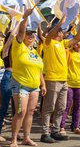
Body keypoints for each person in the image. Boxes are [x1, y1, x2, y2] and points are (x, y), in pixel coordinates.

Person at [40, 14, 80, 143]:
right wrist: (59, 23)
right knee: (49, 107)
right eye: (60, 31)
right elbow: (48, 35)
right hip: (52, 79)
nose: (62, 32)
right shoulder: (48, 42)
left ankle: (55, 130)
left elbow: (77, 38)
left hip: (64, 80)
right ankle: (45, 132)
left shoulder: (63, 43)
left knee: (61, 107)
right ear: (56, 32)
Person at [10, 9, 46, 147]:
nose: (30, 35)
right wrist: (25, 17)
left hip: (34, 86)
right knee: (21, 112)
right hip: (20, 84)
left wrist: (42, 85)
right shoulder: (18, 46)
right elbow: (20, 31)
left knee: (30, 112)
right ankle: (14, 139)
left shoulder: (35, 52)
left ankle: (26, 138)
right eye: (28, 33)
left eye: (33, 34)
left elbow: (39, 70)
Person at [60, 40, 80, 135]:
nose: (76, 44)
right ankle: (61, 127)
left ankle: (76, 126)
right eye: (75, 43)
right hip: (69, 83)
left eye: (79, 43)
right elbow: (63, 50)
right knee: (66, 106)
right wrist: (69, 46)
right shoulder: (69, 53)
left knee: (78, 106)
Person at [0, 23, 20, 142]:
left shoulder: (18, 50)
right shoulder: (5, 50)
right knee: (4, 106)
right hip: (8, 76)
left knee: (18, 108)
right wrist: (19, 22)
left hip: (16, 78)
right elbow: (11, 37)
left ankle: (15, 133)